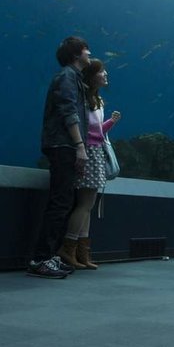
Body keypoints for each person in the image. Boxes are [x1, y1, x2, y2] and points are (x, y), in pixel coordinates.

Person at [27, 36, 91, 279]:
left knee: (65, 201)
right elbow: (68, 111)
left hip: (67, 146)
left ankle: (49, 255)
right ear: (76, 55)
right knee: (60, 202)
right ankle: (40, 259)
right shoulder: (66, 77)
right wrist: (80, 146)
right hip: (63, 145)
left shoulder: (75, 79)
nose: (89, 53)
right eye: (85, 50)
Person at [60, 58, 122, 270]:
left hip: (96, 153)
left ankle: (81, 252)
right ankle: (68, 248)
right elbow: (86, 130)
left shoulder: (98, 100)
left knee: (88, 205)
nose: (106, 75)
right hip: (88, 153)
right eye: (102, 71)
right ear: (92, 74)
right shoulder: (83, 99)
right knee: (85, 204)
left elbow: (97, 132)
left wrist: (111, 123)